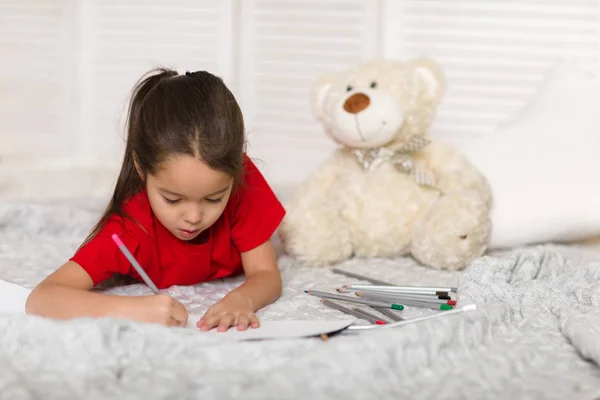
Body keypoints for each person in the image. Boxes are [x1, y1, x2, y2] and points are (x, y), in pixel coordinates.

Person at [25, 68, 286, 332]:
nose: (194, 217)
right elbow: (43, 297)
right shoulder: (129, 229)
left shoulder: (242, 179)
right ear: (141, 169)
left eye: (214, 198)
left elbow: (265, 274)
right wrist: (133, 310)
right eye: (172, 199)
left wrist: (242, 298)